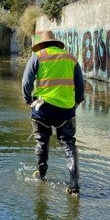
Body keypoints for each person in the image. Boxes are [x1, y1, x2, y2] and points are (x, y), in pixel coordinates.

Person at [22, 30, 85, 195]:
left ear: (42, 44)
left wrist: (28, 100)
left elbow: (26, 82)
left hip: (42, 109)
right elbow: (80, 85)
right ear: (57, 44)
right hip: (66, 110)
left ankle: (41, 176)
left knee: (42, 142)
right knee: (69, 144)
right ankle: (74, 186)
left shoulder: (38, 56)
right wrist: (77, 101)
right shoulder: (70, 58)